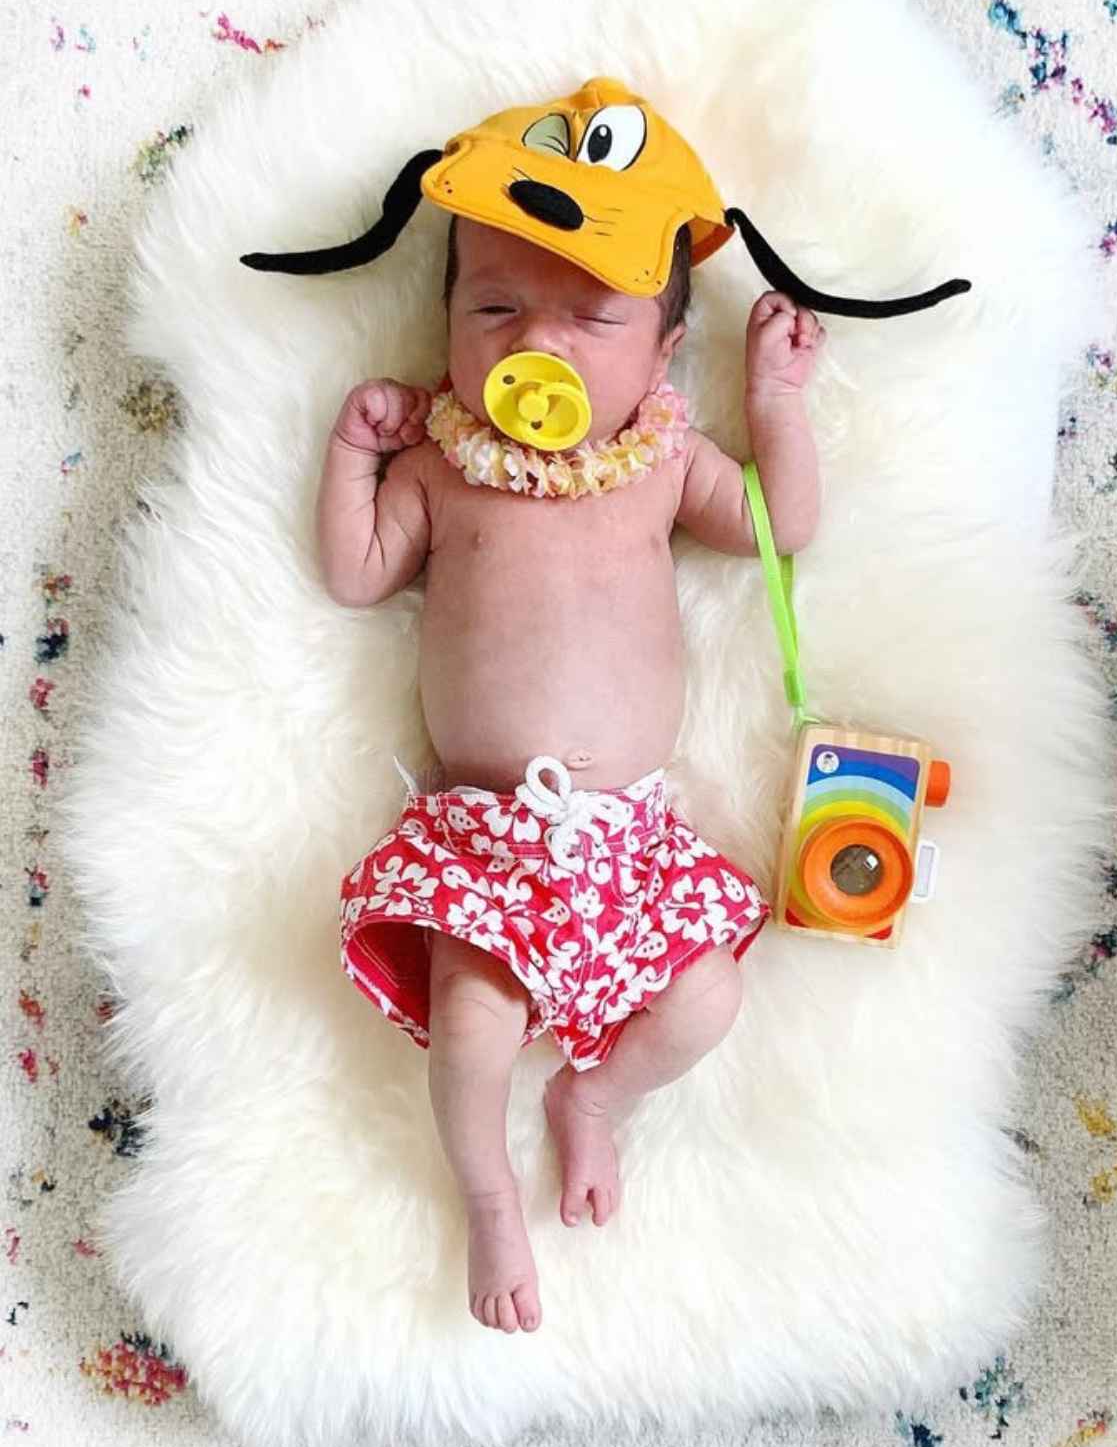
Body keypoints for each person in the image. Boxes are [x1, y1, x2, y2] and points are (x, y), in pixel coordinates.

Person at [320, 209, 823, 1337]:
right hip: (488, 840)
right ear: (447, 325)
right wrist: (357, 452)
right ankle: (489, 1197)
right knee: (470, 1029)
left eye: (594, 319)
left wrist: (775, 405)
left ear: (663, 355)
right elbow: (356, 575)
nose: (533, 345)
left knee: (710, 997)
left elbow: (780, 524)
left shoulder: (662, 464)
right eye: (494, 309)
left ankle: (593, 1093)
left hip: (630, 845)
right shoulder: (444, 468)